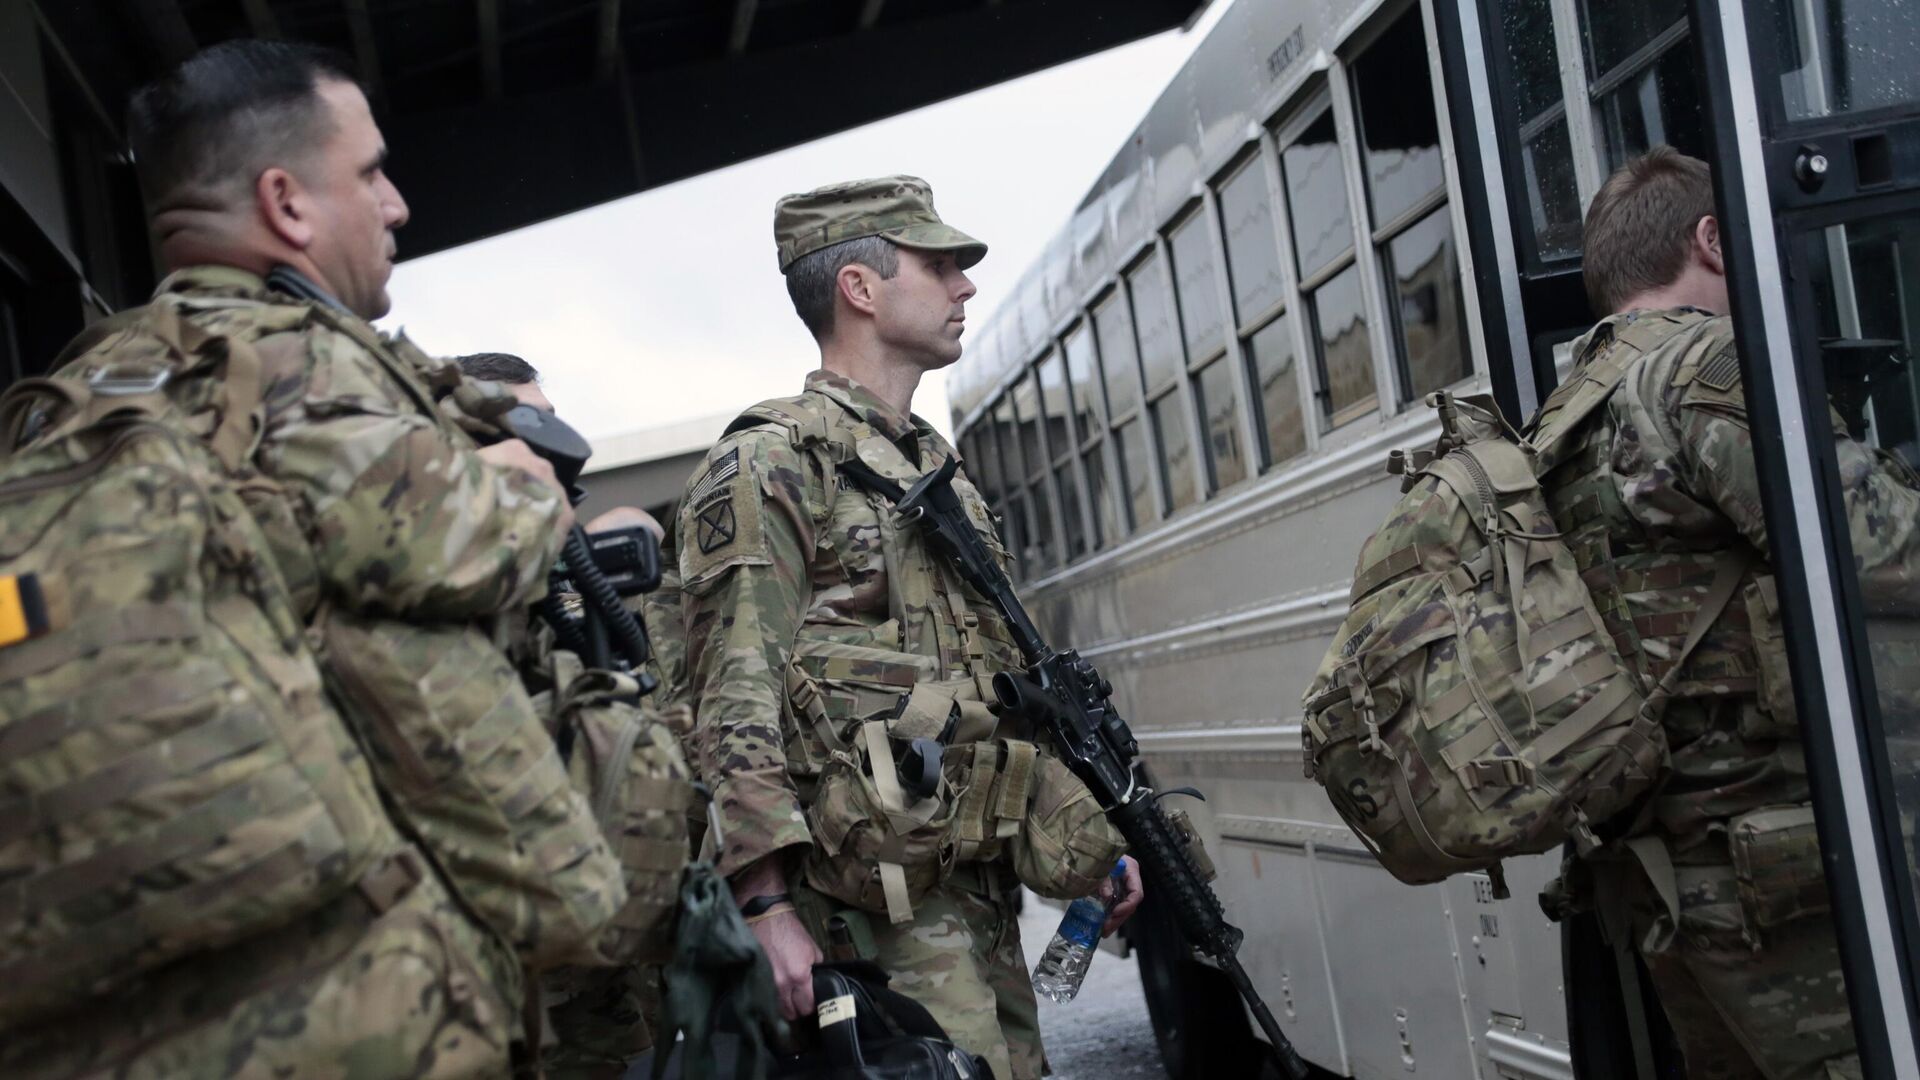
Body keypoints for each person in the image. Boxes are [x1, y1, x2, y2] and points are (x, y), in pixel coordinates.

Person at [2, 40, 615, 1077]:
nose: (396, 204)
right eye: (370, 172)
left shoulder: (74, 391)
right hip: (368, 1005)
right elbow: (479, 544)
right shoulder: (297, 362)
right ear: (286, 203)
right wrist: (520, 478)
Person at [670, 175, 1142, 1080]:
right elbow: (731, 694)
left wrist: (1090, 825)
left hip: (973, 881)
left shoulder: (930, 463)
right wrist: (764, 904)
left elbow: (1000, 674)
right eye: (939, 265)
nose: (965, 284)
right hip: (870, 905)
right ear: (860, 287)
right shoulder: (770, 462)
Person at [1538, 145, 1920, 1079]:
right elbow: (1880, 552)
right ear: (1713, 239)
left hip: (1677, 885)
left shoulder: (1564, 415)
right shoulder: (1704, 366)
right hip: (1792, 878)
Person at [454, 351, 690, 1079]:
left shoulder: (566, 568)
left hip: (620, 936)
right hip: (527, 959)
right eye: (530, 427)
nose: (554, 447)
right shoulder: (448, 587)